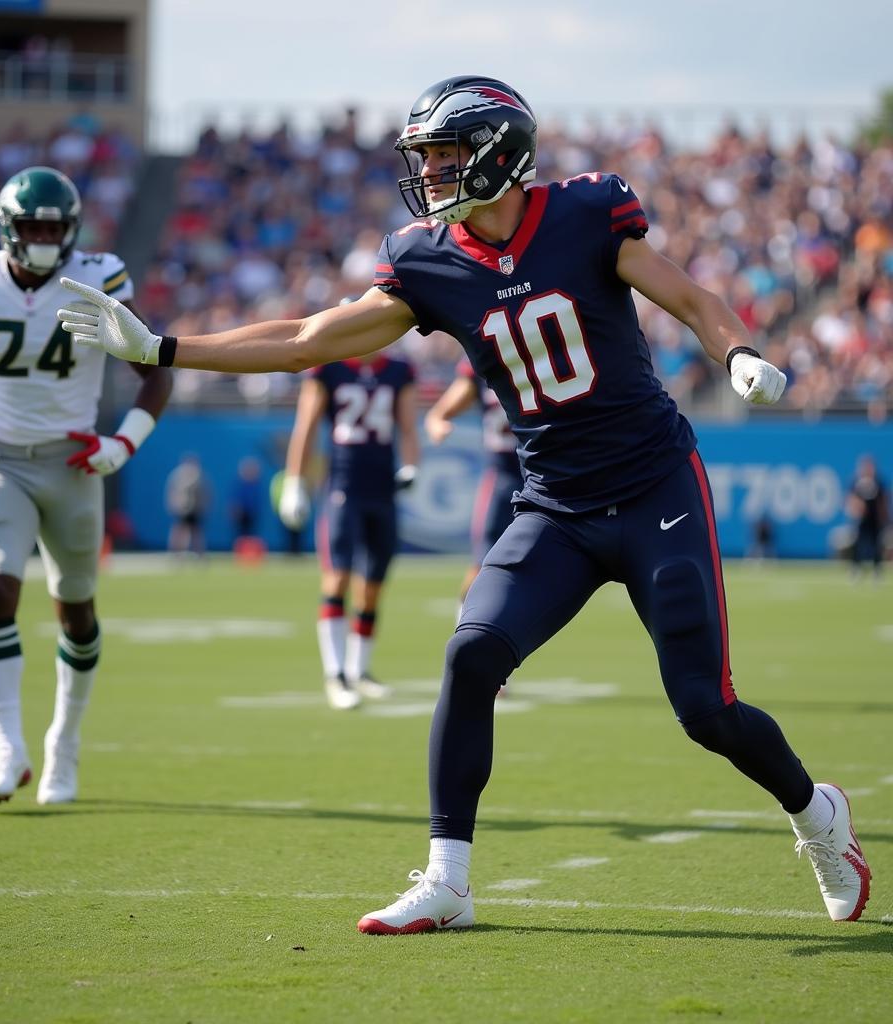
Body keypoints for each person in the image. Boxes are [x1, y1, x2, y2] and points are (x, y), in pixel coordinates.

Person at [56, 76, 871, 928]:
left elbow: (692, 298)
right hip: (555, 504)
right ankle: (448, 880)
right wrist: (163, 346)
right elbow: (306, 341)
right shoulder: (428, 259)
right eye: (428, 158)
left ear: (500, 152)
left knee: (707, 710)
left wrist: (736, 350)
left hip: (652, 486)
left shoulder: (588, 212)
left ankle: (817, 816)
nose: (433, 174)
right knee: (471, 652)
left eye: (446, 154)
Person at [0, 166, 172, 806]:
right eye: (31, 226)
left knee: (76, 608)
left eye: (53, 227)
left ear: (73, 231)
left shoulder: (98, 276)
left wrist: (124, 443)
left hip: (72, 463)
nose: (42, 237)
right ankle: (8, 748)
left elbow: (154, 367)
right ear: (8, 228)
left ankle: (64, 741)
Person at [277, 351, 420, 709]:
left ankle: (360, 670)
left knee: (372, 587)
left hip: (382, 488)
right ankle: (335, 674)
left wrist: (412, 465)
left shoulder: (399, 370)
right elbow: (306, 426)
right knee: (337, 577)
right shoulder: (328, 369)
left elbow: (406, 426)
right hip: (343, 486)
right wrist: (295, 480)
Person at [425, 359, 523, 620]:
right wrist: (438, 424)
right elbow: (439, 413)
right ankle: (464, 626)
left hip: (547, 477)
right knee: (484, 561)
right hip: (503, 476)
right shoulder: (481, 362)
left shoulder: (543, 357)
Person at [845, 454, 888, 580]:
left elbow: (883, 501)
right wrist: (855, 510)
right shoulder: (857, 482)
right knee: (858, 544)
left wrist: (884, 518)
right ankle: (856, 568)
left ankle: (877, 570)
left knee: (877, 544)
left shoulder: (878, 482)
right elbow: (851, 499)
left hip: (875, 519)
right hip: (862, 519)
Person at [165, 452, 210, 556]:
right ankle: (176, 554)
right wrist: (173, 505)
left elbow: (206, 493)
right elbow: (172, 492)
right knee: (180, 532)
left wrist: (204, 506)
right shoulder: (178, 475)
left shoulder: (199, 475)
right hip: (182, 509)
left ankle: (199, 554)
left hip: (195, 509)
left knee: (196, 533)